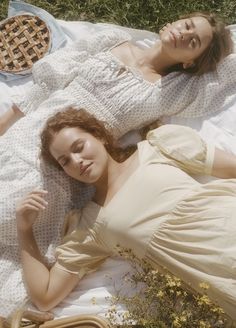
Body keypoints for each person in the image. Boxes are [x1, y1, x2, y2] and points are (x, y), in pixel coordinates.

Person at [0, 11, 234, 317]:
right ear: (174, 20)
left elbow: (226, 74)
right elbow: (52, 77)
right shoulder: (111, 41)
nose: (183, 34)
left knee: (14, 219)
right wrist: (7, 119)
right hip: (28, 135)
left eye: (194, 42)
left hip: (65, 171)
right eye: (187, 25)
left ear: (192, 60)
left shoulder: (173, 90)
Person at [16, 107, 236, 320]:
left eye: (79, 147)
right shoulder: (90, 225)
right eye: (65, 161)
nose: (76, 161)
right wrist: (24, 229)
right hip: (220, 279)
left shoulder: (158, 146)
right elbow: (45, 296)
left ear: (99, 135)